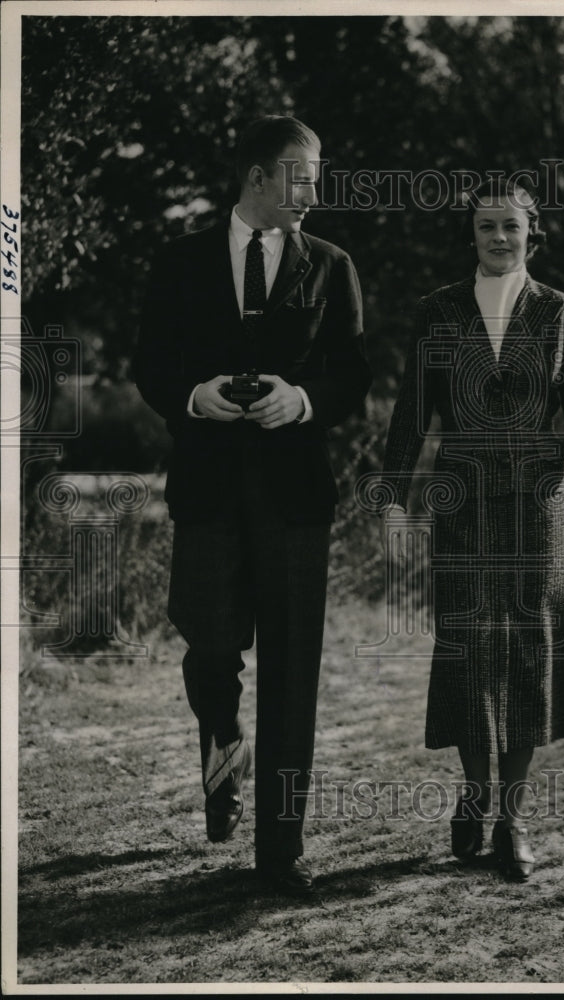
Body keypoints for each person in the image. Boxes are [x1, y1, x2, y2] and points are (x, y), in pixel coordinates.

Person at [134, 115, 371, 897]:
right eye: (302, 178)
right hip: (206, 491)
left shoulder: (332, 265)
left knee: (293, 673)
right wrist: (193, 395)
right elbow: (149, 364)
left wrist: (300, 400)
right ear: (259, 177)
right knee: (208, 648)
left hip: (295, 500)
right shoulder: (178, 262)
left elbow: (353, 375)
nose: (313, 194)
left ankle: (280, 851)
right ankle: (223, 746)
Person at [378, 178, 564, 880]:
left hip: (538, 506)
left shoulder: (559, 311)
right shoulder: (438, 311)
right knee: (467, 652)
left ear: (530, 233)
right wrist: (392, 499)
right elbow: (411, 409)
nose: (498, 237)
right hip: (461, 504)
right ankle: (475, 792)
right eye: (486, 225)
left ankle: (512, 818)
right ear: (471, 234)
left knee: (528, 653)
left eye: (510, 226)